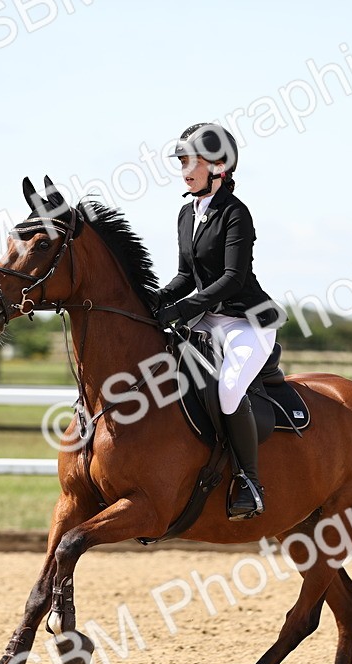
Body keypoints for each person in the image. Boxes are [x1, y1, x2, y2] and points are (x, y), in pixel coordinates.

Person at [155, 122, 280, 521]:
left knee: (228, 391)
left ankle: (249, 481)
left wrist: (185, 309)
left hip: (248, 323)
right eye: (182, 161)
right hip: (208, 321)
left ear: (220, 166)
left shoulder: (235, 213)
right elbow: (184, 276)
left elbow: (233, 278)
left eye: (193, 160)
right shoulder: (185, 213)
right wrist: (154, 301)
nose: (185, 168)